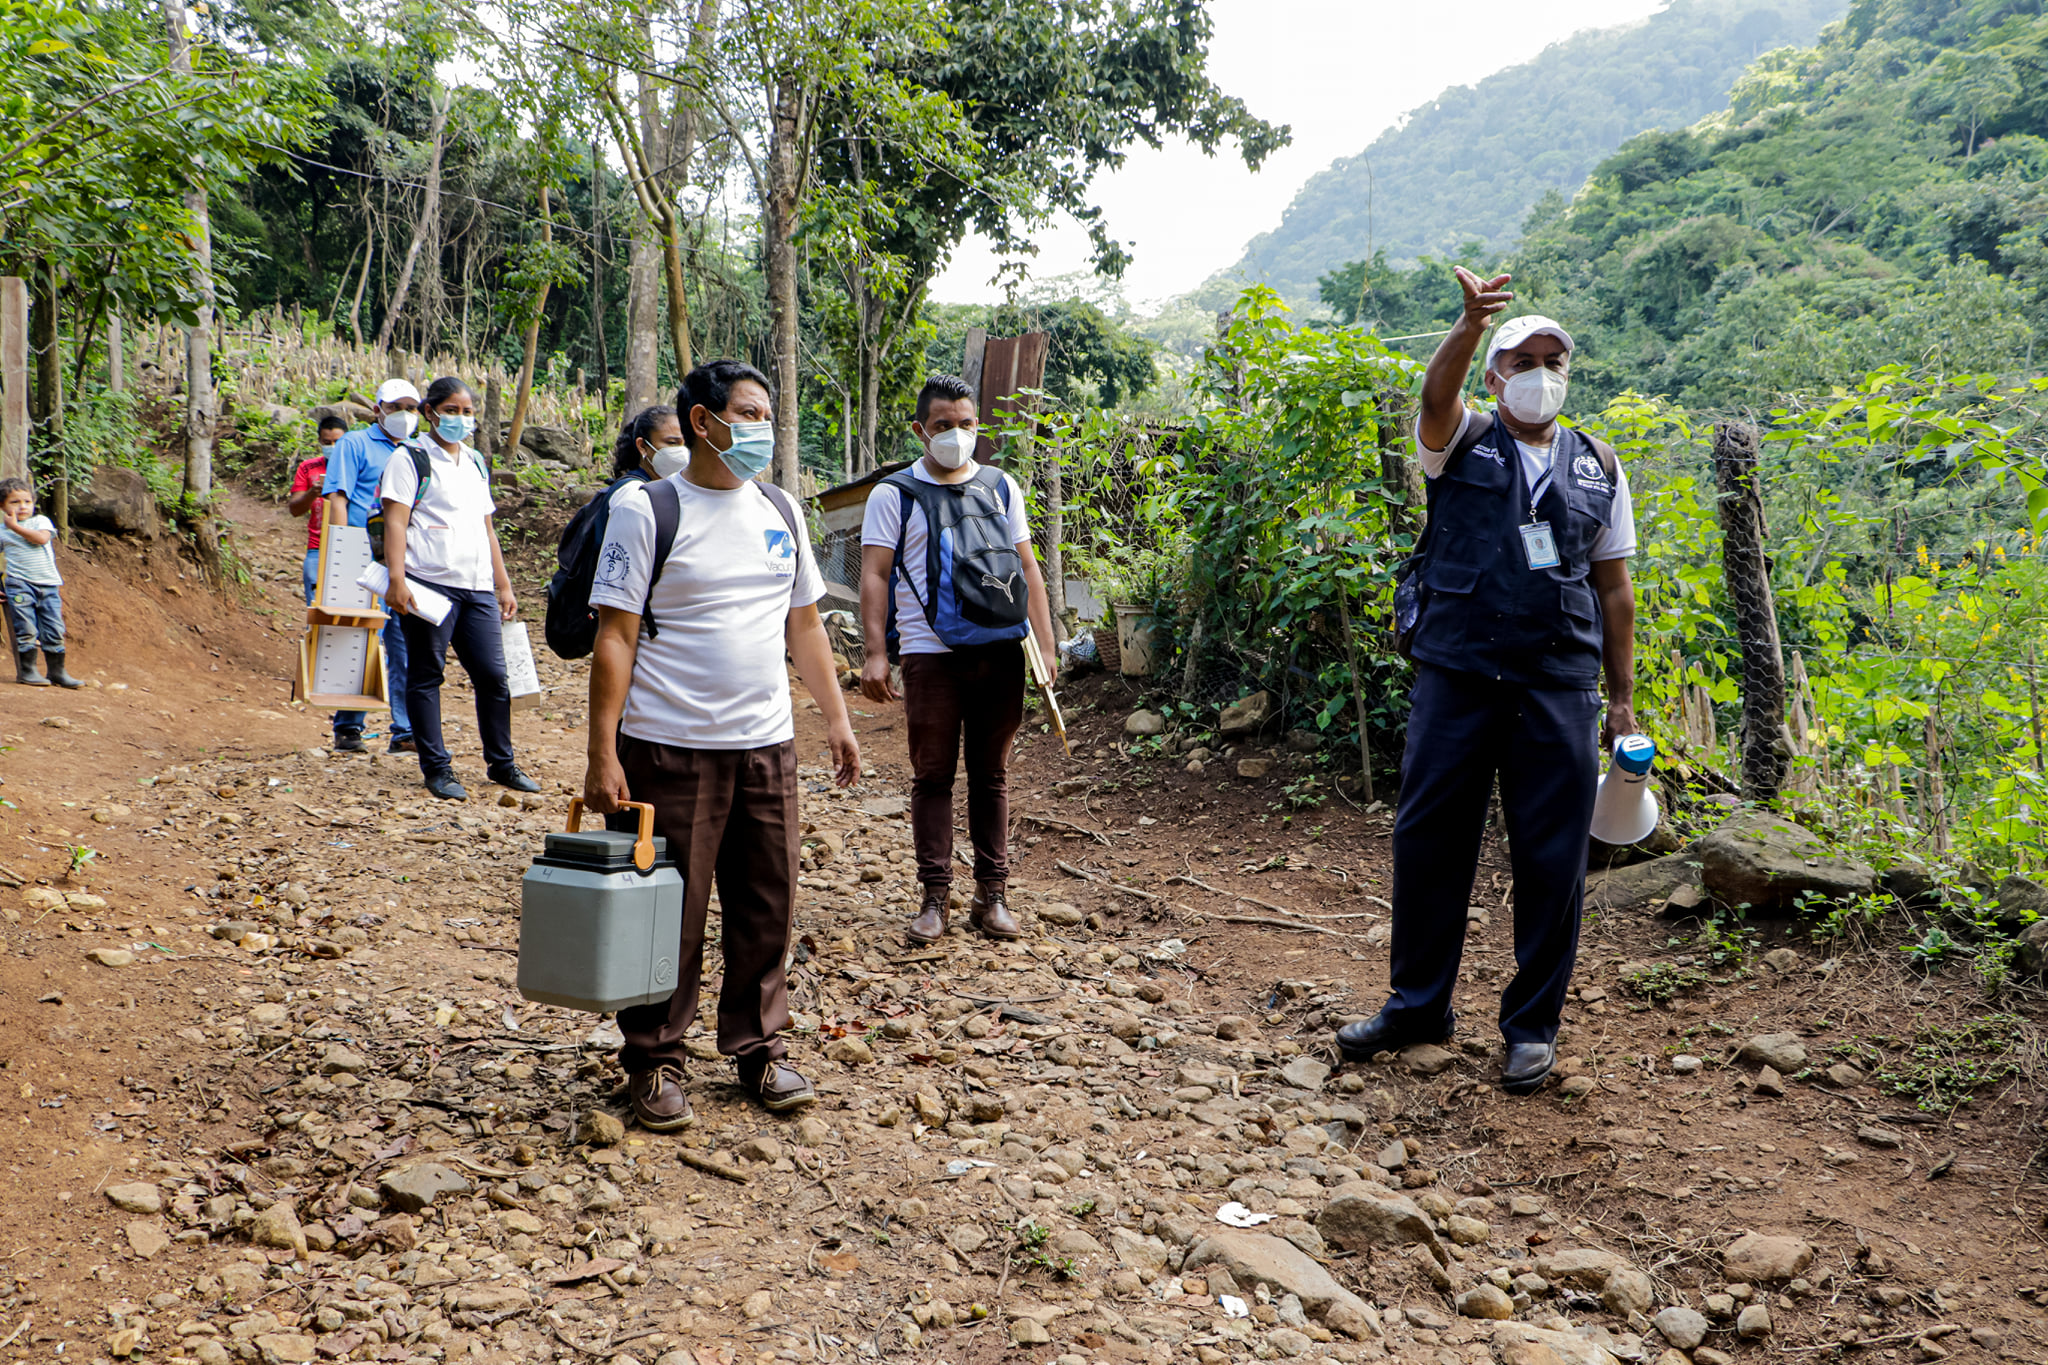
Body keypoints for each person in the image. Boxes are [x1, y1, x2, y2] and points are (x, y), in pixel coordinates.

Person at [1335, 267, 1638, 1096]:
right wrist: (1469, 327)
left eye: (1555, 360)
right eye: (1524, 359)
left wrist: (1619, 699)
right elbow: (1432, 397)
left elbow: (1614, 585)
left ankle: (1531, 1027)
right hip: (1459, 670)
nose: (1541, 373)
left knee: (1551, 857)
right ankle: (1417, 1006)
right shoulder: (1461, 438)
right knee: (1430, 840)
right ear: (1497, 374)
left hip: (1559, 680)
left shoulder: (1598, 466)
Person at [581, 359, 859, 1130]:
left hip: (765, 745)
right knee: (665, 911)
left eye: (768, 413)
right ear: (703, 422)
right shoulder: (647, 510)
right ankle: (655, 1057)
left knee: (767, 904)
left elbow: (802, 622)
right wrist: (602, 751)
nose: (763, 429)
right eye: (748, 413)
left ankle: (758, 1047)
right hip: (668, 745)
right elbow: (616, 636)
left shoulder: (781, 509)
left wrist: (834, 718)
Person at [857, 374, 1057, 945]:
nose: (956, 435)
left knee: (992, 775)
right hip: (929, 653)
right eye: (943, 426)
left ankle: (992, 898)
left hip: (1002, 651)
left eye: (966, 424)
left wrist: (1045, 646)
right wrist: (877, 653)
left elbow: (1028, 567)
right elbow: (873, 573)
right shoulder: (892, 494)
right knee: (933, 775)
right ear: (920, 429)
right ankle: (934, 897)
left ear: (978, 427)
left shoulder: (1001, 486)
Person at [379, 376, 538, 802]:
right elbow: (396, 520)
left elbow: (486, 526)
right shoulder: (409, 458)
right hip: (428, 582)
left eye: (467, 412)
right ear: (430, 412)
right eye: (452, 410)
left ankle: (501, 763)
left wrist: (502, 583)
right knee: (427, 674)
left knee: (493, 676)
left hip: (477, 586)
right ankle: (437, 768)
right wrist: (397, 579)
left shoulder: (475, 462)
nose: (460, 418)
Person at [323, 379, 418, 754]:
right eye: (396, 407)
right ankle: (348, 726)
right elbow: (339, 498)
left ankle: (405, 730)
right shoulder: (354, 444)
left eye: (412, 407)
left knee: (405, 644)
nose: (404, 415)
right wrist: (341, 554)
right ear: (378, 409)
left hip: (406, 559)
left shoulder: (416, 450)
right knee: (360, 639)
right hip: (363, 555)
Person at [1, 478, 79, 688]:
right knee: (25, 627)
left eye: (27, 501)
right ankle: (28, 671)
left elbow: (41, 539)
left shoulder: (41, 522)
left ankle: (57, 672)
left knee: (54, 628)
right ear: (2, 506)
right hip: (19, 584)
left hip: (48, 585)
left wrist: (15, 527)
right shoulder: (2, 531)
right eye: (14, 502)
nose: (22, 506)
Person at [290, 413, 348, 605]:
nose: (332, 447)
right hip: (317, 547)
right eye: (327, 442)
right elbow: (295, 509)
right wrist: (313, 493)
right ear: (319, 441)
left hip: (350, 546)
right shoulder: (308, 468)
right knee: (315, 606)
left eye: (337, 442)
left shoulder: (355, 467)